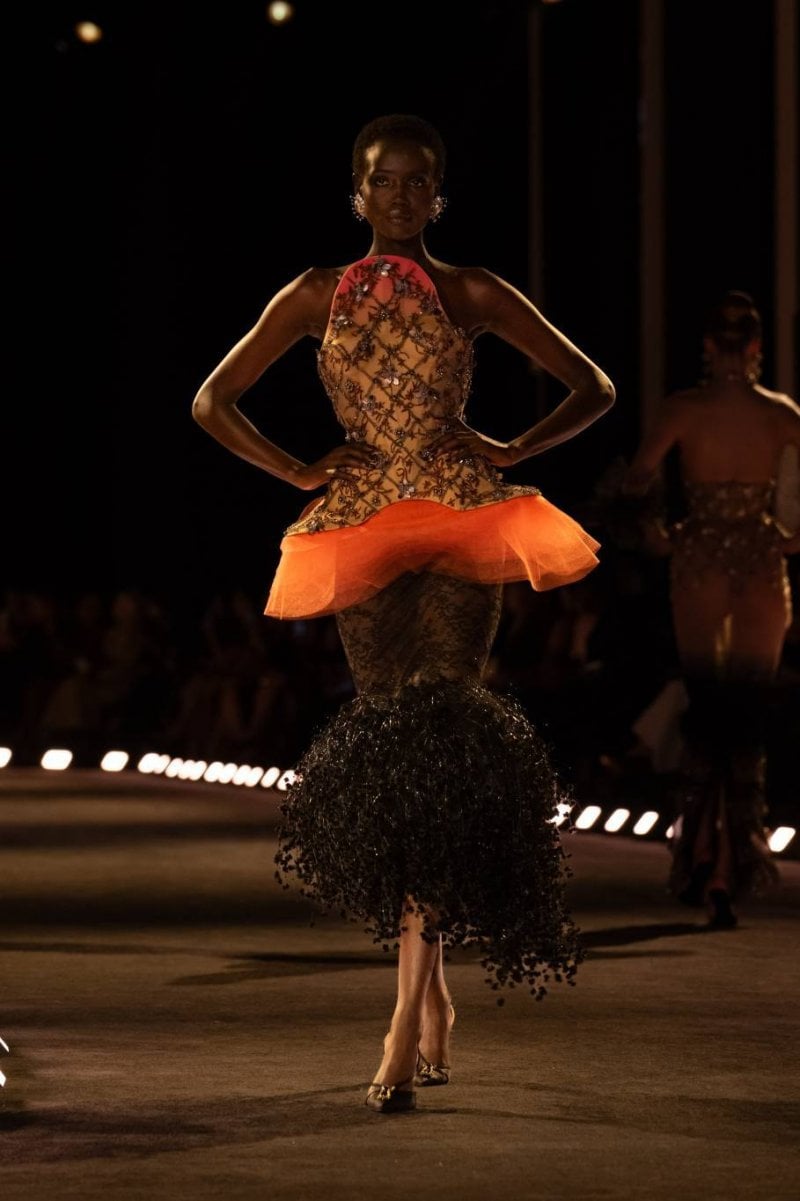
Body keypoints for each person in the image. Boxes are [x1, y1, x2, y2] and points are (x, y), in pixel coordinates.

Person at [192, 113, 615, 1113]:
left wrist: (511, 449)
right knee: (394, 760)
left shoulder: (472, 290)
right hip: (362, 527)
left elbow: (593, 385)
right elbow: (211, 401)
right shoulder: (313, 293)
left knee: (440, 746)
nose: (400, 194)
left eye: (418, 180)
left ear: (439, 195)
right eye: (383, 179)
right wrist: (297, 469)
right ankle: (431, 995)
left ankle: (397, 1025)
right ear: (357, 193)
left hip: (462, 522)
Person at [626, 290, 800, 929]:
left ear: (706, 345)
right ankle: (730, 863)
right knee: (743, 718)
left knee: (708, 712)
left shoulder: (685, 409)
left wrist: (656, 535)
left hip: (699, 559)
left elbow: (634, 485)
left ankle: (704, 859)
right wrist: (787, 537)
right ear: (756, 346)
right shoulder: (781, 414)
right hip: (757, 560)